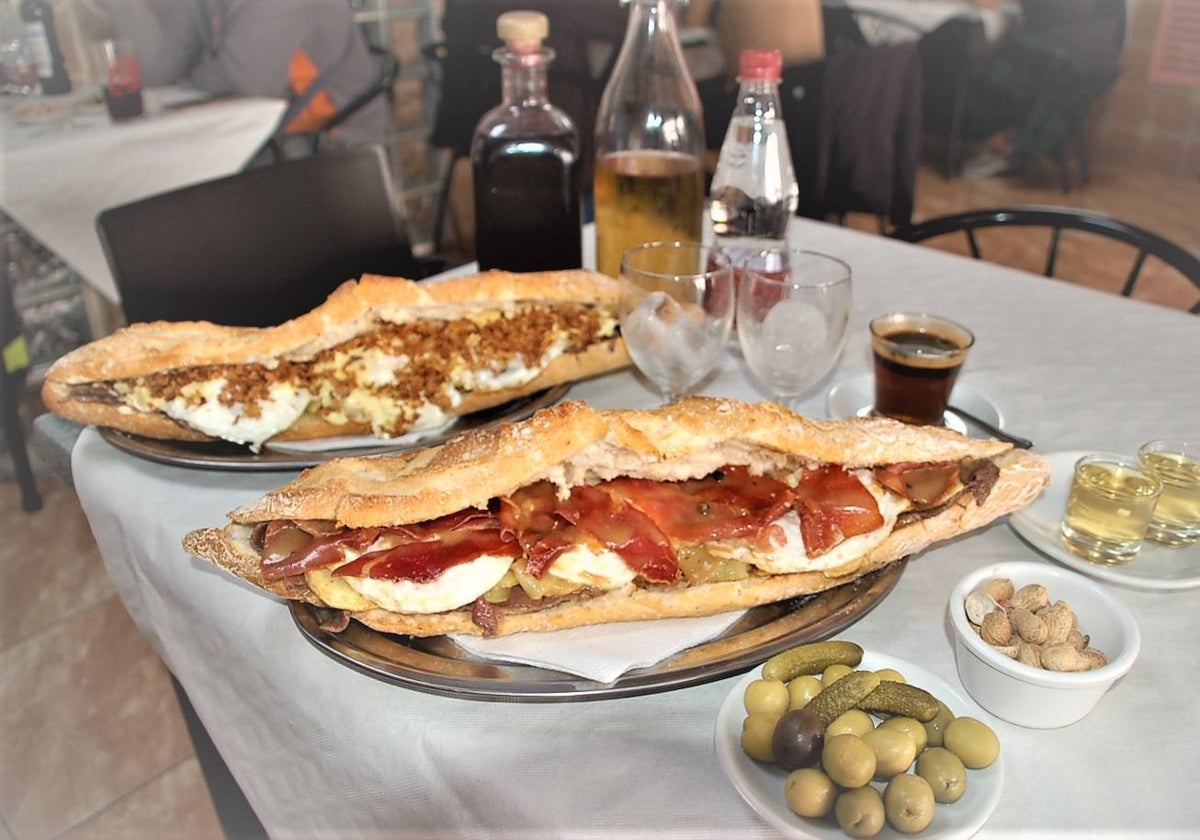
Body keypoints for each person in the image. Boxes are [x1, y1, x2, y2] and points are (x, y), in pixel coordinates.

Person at [91, 0, 389, 147]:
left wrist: (187, 80)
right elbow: (161, 67)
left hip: (332, 141)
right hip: (257, 133)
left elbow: (245, 80)